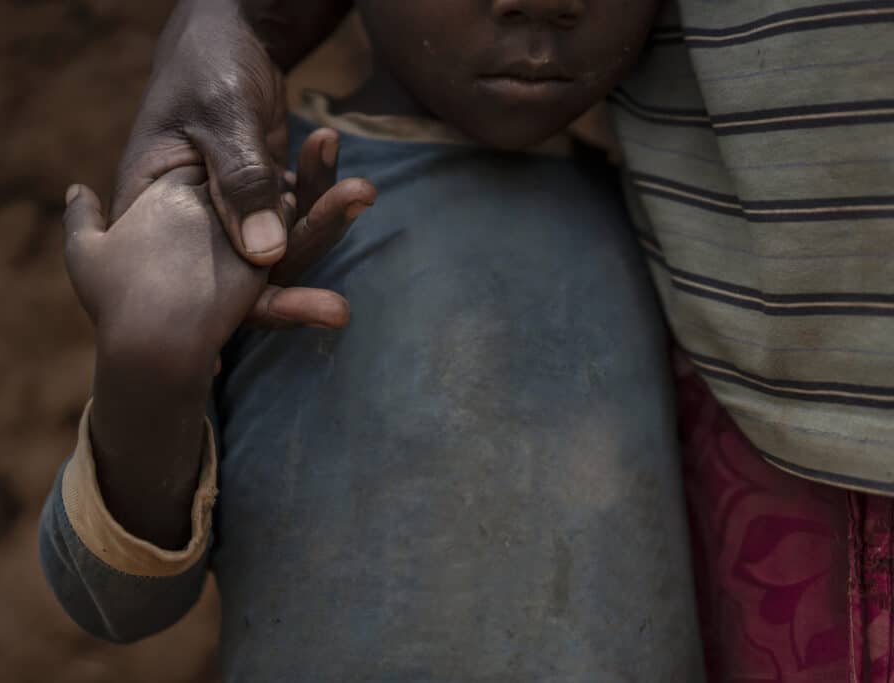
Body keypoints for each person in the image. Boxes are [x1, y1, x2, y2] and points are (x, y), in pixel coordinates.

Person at [40, 0, 708, 679]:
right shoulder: (257, 217)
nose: (539, 2)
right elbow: (113, 601)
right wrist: (149, 374)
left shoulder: (683, 229)